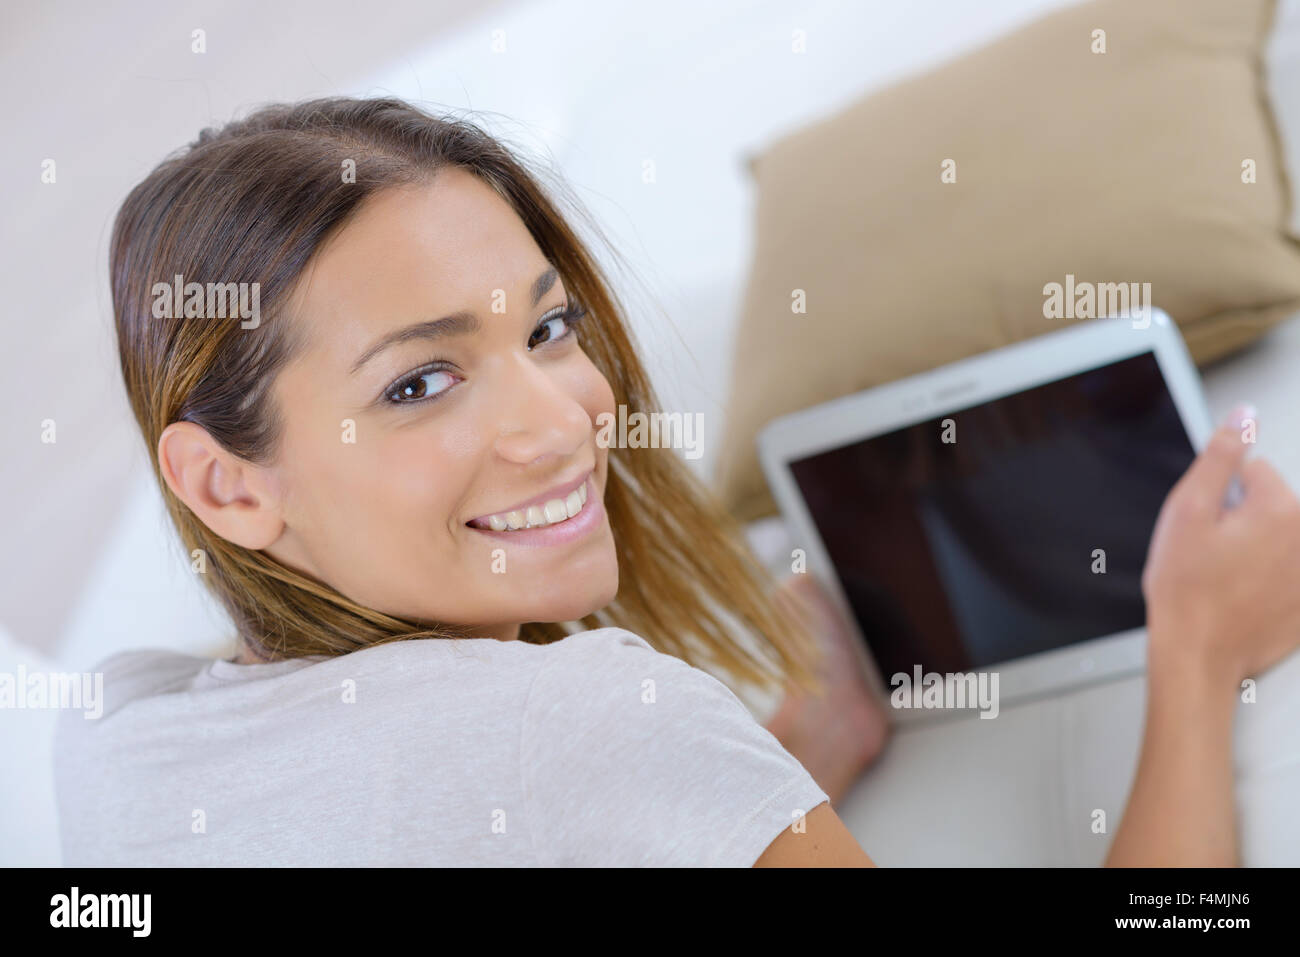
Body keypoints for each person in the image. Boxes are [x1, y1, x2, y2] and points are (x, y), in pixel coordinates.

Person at [53, 96, 1300, 867]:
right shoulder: (599, 721)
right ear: (226, 490)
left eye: (547, 330)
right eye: (418, 384)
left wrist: (744, 788)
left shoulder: (118, 745)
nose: (566, 421)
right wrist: (1195, 657)